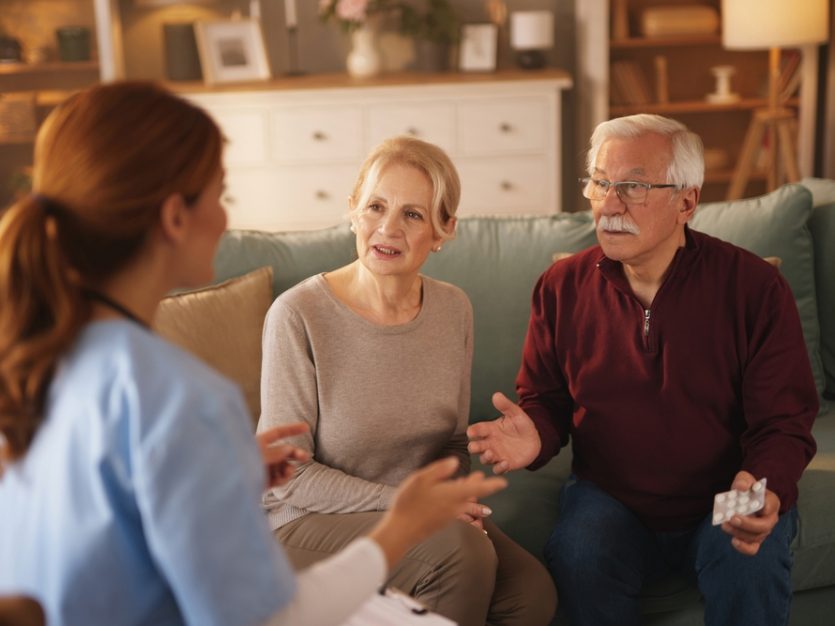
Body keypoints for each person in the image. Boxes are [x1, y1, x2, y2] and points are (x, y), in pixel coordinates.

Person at [0, 81, 509, 626]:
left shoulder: (37, 363)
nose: (225, 218)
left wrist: (229, 474)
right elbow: (268, 619)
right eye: (220, 195)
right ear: (175, 217)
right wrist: (400, 525)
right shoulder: (182, 398)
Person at [467, 114, 818, 626]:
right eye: (600, 183)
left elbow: (783, 421)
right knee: (579, 554)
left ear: (687, 202)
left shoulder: (755, 288)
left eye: (632, 186)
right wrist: (536, 438)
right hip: (610, 498)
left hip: (721, 491)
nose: (609, 204)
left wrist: (759, 483)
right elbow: (548, 402)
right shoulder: (560, 287)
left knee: (751, 561)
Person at [258, 135, 557, 626]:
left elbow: (453, 443)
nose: (388, 228)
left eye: (413, 215)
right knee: (461, 554)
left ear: (443, 231)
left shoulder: (452, 309)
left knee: (529, 592)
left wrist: (452, 496)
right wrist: (409, 506)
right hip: (304, 523)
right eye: (376, 206)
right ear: (353, 210)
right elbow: (290, 477)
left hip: (416, 515)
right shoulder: (298, 314)